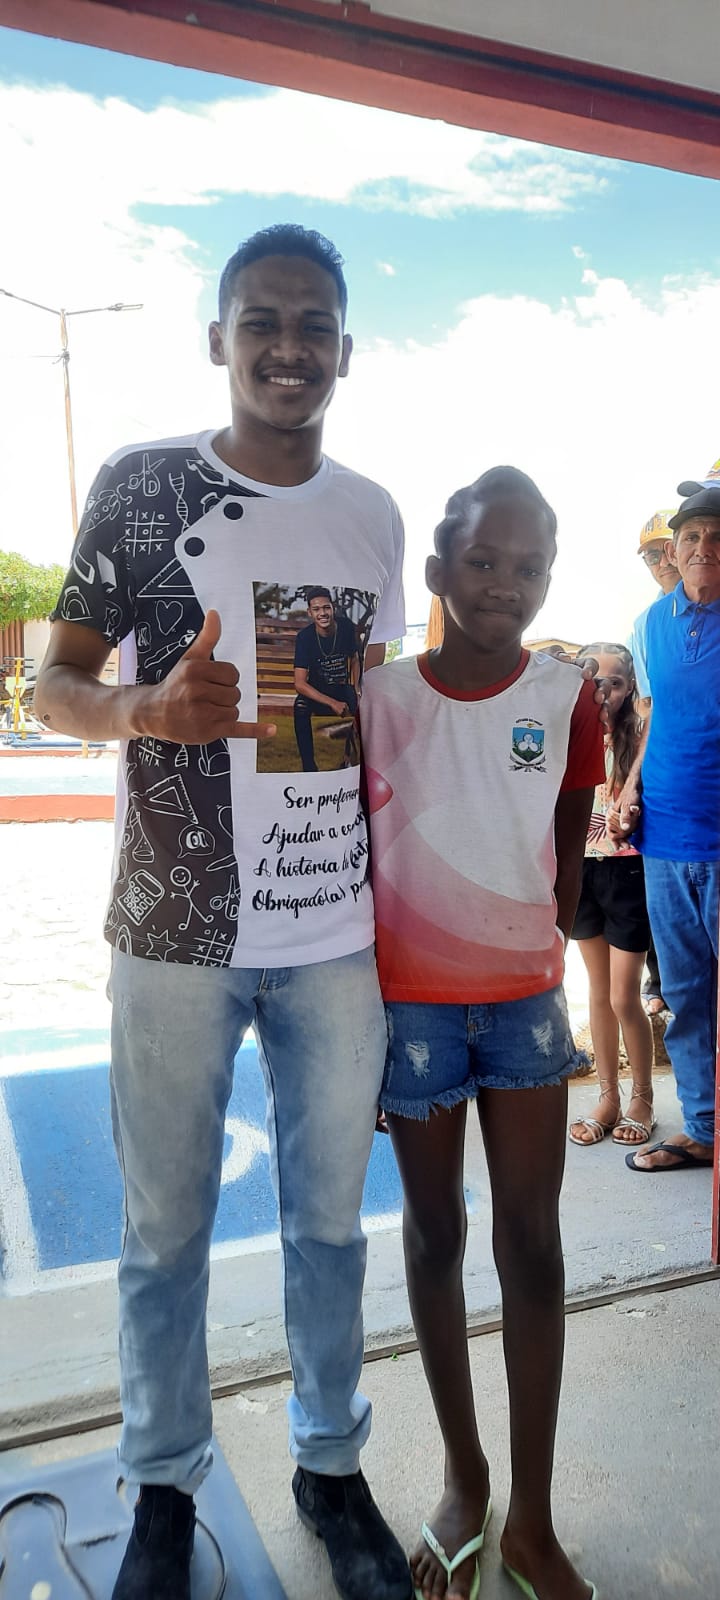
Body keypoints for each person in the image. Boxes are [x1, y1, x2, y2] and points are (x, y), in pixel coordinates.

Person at [34, 224, 411, 1600]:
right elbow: (53, 686)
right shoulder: (143, 487)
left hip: (332, 937)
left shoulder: (373, 515)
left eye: (315, 325)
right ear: (219, 339)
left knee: (331, 1229)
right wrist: (144, 706)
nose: (289, 347)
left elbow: (366, 720)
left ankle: (330, 1466)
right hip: (174, 929)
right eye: (263, 320)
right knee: (163, 1235)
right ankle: (161, 1485)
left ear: (347, 350)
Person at [360, 467, 604, 1600]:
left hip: (523, 1012)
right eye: (483, 560)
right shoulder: (380, 698)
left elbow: (564, 848)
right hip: (410, 1010)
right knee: (432, 1238)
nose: (506, 583)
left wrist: (528, 957)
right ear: (437, 569)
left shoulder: (567, 695)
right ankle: (465, 1479)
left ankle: (532, 1522)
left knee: (534, 1246)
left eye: (529, 566)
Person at [609, 473, 720, 1174]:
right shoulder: (651, 624)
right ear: (673, 552)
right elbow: (653, 720)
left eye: (718, 538)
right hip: (666, 842)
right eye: (692, 537)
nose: (704, 547)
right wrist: (628, 791)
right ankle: (704, 1128)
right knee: (684, 995)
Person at [567, 645, 655, 1149]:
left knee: (625, 996)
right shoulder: (565, 731)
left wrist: (636, 812)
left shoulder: (640, 736)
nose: (603, 690)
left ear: (630, 688)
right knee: (598, 994)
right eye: (594, 679)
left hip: (626, 873)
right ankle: (608, 1097)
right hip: (581, 870)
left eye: (616, 682)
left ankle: (643, 1097)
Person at [627, 510, 679, 1015]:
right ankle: (661, 980)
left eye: (666, 549)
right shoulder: (645, 625)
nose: (661, 561)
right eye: (650, 554)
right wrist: (635, 781)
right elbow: (647, 707)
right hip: (667, 771)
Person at [293, 586, 359, 769]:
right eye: (316, 609)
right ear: (310, 613)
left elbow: (354, 659)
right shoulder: (305, 637)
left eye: (326, 607)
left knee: (362, 706)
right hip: (318, 691)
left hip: (342, 688)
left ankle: (352, 761)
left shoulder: (345, 627)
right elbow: (300, 684)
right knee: (300, 707)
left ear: (333, 608)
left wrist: (357, 688)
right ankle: (309, 767)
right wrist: (332, 703)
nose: (322, 613)